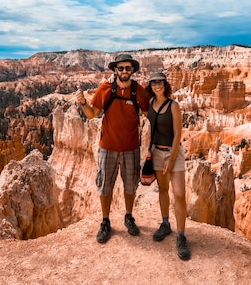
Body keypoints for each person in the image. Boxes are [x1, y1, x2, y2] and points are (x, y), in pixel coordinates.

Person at [75, 53, 150, 244]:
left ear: (132, 70)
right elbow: (92, 114)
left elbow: (149, 113)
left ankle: (128, 216)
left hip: (131, 147)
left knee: (130, 185)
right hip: (107, 147)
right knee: (105, 185)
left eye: (128, 68)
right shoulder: (105, 89)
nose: (124, 71)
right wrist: (83, 103)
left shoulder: (138, 92)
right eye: (121, 68)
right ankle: (105, 221)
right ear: (115, 70)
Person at [146, 71, 191, 260]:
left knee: (179, 195)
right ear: (151, 86)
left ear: (165, 85)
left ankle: (181, 236)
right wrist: (148, 149)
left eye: (160, 82)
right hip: (156, 152)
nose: (157, 86)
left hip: (173, 154)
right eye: (154, 83)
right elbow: (150, 129)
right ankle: (166, 224)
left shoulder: (173, 106)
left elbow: (177, 134)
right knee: (163, 189)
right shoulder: (150, 104)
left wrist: (171, 159)